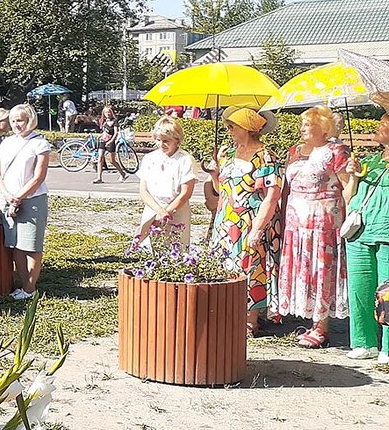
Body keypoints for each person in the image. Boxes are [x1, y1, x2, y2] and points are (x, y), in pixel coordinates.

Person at [277, 106, 352, 348]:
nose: (302, 128)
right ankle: (306, 315)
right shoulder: (295, 151)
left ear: (322, 127)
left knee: (322, 271)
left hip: (323, 224)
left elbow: (348, 187)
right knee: (301, 269)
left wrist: (350, 217)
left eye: (308, 125)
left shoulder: (336, 151)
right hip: (296, 222)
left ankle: (321, 326)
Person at [208, 107, 283, 336]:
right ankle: (227, 312)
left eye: (234, 126)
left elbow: (272, 195)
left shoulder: (265, 156)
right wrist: (213, 174)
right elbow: (222, 190)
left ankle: (251, 319)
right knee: (224, 265)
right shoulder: (226, 153)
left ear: (248, 128)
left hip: (250, 218)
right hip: (226, 218)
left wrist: (258, 228)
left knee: (252, 266)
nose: (229, 129)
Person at [0, 103, 52, 301]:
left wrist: (19, 196)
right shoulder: (6, 143)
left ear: (30, 120)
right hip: (7, 199)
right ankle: (22, 284)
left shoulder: (40, 144)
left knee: (32, 245)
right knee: (15, 244)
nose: (16, 124)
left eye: (20, 120)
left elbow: (39, 177)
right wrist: (8, 195)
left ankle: (30, 288)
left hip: (32, 200)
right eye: (13, 121)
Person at [343, 113, 389, 362]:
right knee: (360, 289)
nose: (379, 127)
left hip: (386, 232)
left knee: (388, 291)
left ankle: (388, 347)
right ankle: (364, 342)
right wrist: (352, 176)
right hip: (359, 232)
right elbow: (349, 197)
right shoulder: (369, 161)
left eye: (384, 123)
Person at [135, 115, 202, 243]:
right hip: (153, 210)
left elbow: (185, 193)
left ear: (177, 140)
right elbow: (143, 191)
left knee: (175, 249)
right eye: (158, 140)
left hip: (176, 212)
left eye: (166, 141)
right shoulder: (149, 158)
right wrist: (159, 211)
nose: (161, 144)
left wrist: (167, 213)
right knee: (150, 250)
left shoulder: (185, 160)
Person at [94, 104, 122, 183]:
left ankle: (122, 173)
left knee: (112, 161)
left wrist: (111, 141)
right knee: (100, 158)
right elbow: (104, 131)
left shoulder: (114, 121)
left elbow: (116, 133)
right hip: (103, 141)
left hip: (110, 141)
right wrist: (101, 136)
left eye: (109, 112)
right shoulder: (104, 121)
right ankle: (99, 178)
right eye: (106, 112)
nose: (107, 114)